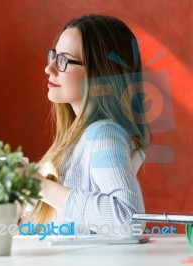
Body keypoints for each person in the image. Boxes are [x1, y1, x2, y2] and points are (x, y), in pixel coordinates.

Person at [19, 14, 151, 235]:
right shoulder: (74, 141)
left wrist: (38, 185)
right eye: (53, 56)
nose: (49, 69)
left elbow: (130, 219)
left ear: (100, 73)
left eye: (63, 60)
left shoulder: (103, 135)